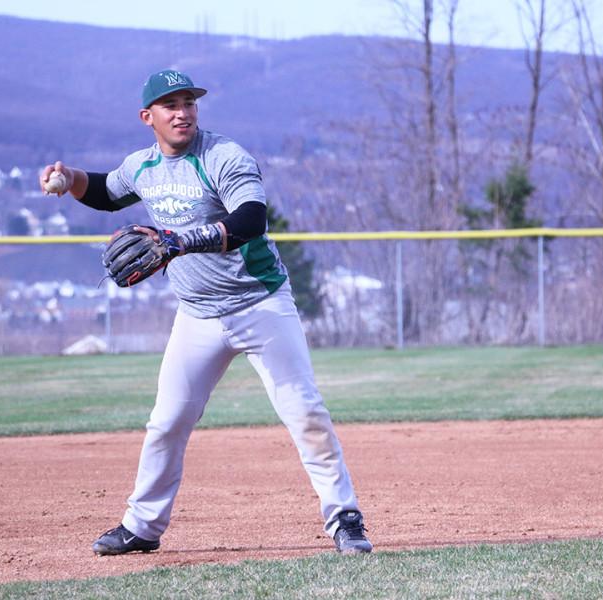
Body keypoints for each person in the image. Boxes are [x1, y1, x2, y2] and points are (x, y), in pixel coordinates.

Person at [40, 69, 372, 556]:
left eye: (189, 102)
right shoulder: (143, 166)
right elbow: (107, 191)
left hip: (260, 303)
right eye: (171, 105)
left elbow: (250, 220)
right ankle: (143, 526)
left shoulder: (223, 156)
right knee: (168, 420)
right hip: (197, 315)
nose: (183, 112)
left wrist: (179, 242)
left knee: (304, 412)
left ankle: (345, 518)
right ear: (146, 117)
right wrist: (69, 179)